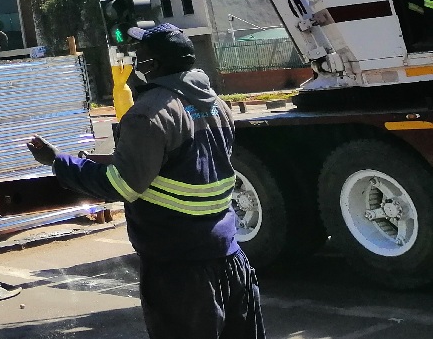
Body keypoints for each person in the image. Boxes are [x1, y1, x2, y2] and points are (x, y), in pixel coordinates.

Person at [27, 23, 264, 339]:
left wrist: (59, 162)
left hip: (180, 267)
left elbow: (121, 185)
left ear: (153, 64)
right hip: (230, 256)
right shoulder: (216, 104)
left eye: (140, 55)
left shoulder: (148, 114)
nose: (135, 61)